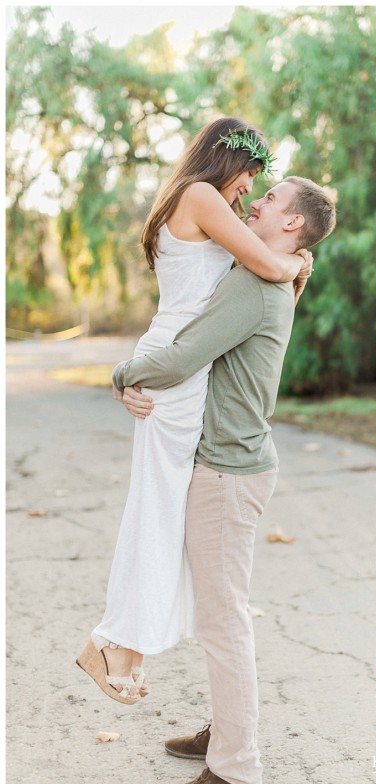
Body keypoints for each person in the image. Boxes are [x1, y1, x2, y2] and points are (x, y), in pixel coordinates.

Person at [76, 117, 312, 704]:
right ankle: (110, 646)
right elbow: (267, 265)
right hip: (176, 367)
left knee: (166, 514)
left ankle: (123, 647)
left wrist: (291, 264)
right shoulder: (202, 196)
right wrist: (296, 264)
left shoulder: (197, 199)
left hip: (182, 363)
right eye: (248, 178)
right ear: (224, 161)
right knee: (158, 512)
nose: (245, 193)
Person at [112, 174, 336, 784]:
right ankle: (228, 728)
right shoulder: (270, 273)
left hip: (228, 472)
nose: (254, 201)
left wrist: (122, 372)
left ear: (290, 224)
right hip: (234, 466)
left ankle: (235, 765)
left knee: (222, 619)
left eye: (271, 199)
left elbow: (184, 356)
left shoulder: (255, 283)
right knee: (220, 612)